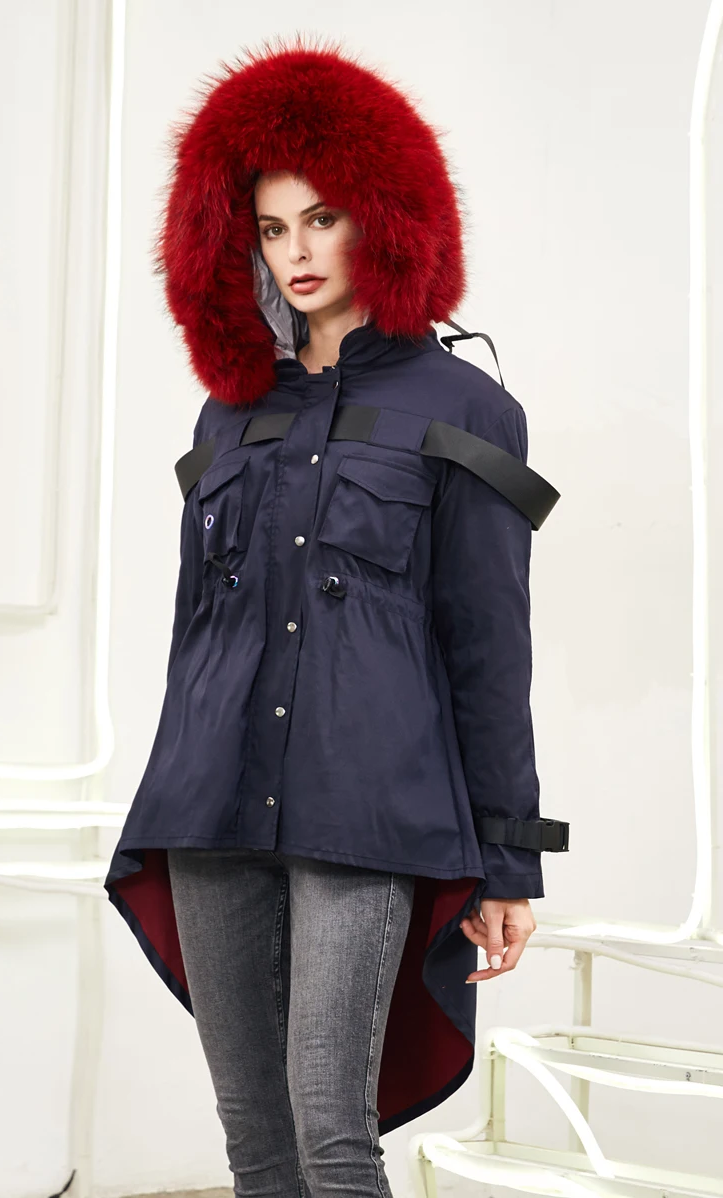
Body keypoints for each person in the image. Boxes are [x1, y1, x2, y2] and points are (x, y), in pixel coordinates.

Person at [104, 35, 569, 1198]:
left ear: (383, 217)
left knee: (331, 1130)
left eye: (321, 219)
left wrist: (506, 859)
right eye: (271, 228)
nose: (298, 252)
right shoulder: (227, 413)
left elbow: (487, 643)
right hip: (210, 800)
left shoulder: (464, 406)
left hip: (366, 808)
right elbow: (193, 630)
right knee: (253, 1139)